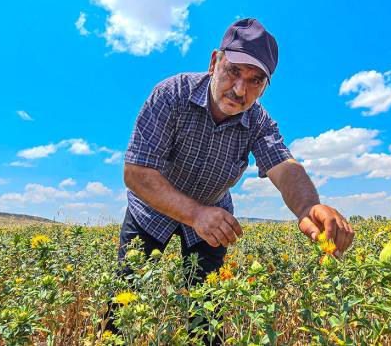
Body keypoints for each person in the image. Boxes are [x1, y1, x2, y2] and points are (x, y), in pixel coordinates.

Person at [119, 17, 355, 285]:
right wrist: (195, 214)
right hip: (151, 212)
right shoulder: (171, 94)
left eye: (255, 80)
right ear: (213, 62)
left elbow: (284, 167)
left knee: (207, 312)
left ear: (265, 87)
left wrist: (308, 207)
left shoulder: (258, 122)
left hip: (213, 220)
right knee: (124, 300)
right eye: (233, 71)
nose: (240, 89)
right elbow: (137, 172)